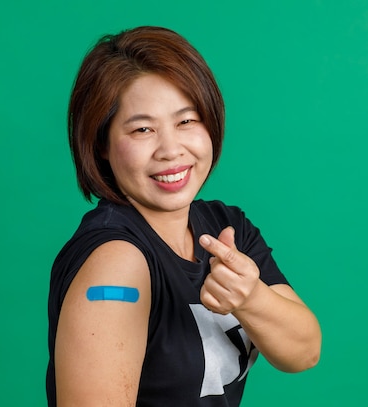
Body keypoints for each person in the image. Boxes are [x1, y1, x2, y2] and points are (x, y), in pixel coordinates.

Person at [46, 26, 321, 406]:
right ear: (102, 144)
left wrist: (251, 297)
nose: (171, 150)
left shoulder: (226, 226)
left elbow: (303, 352)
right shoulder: (117, 262)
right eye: (143, 129)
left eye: (187, 121)